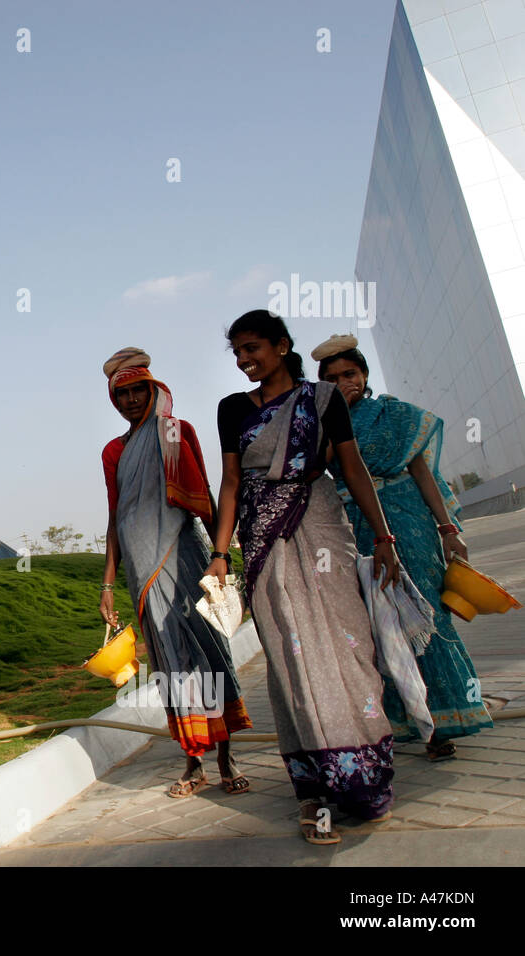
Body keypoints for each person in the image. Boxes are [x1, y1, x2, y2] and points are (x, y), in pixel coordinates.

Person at [206, 311, 400, 845]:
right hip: (263, 536)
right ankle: (315, 790)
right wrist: (221, 553)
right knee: (292, 655)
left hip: (320, 522)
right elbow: (228, 482)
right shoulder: (230, 409)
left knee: (348, 643)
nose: (246, 360)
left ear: (281, 346)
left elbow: (351, 466)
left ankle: (364, 777)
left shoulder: (323, 399)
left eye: (253, 349)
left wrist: (384, 538)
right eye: (238, 352)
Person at [315, 334, 492, 760]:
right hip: (358, 527)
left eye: (350, 374)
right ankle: (403, 721)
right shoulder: (323, 423)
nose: (345, 383)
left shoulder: (394, 415)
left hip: (409, 518)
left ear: (365, 374)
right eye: (333, 378)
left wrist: (449, 529)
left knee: (426, 612)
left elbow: (423, 473)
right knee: (382, 623)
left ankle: (445, 717)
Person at [99, 347, 253, 797]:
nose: (130, 400)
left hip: (186, 554)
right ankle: (193, 762)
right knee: (169, 660)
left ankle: (227, 757)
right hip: (142, 568)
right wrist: (107, 582)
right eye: (121, 393)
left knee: (210, 650)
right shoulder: (114, 451)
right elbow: (114, 514)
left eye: (137, 390)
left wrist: (222, 555)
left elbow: (203, 492)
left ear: (153, 389)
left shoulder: (176, 431)